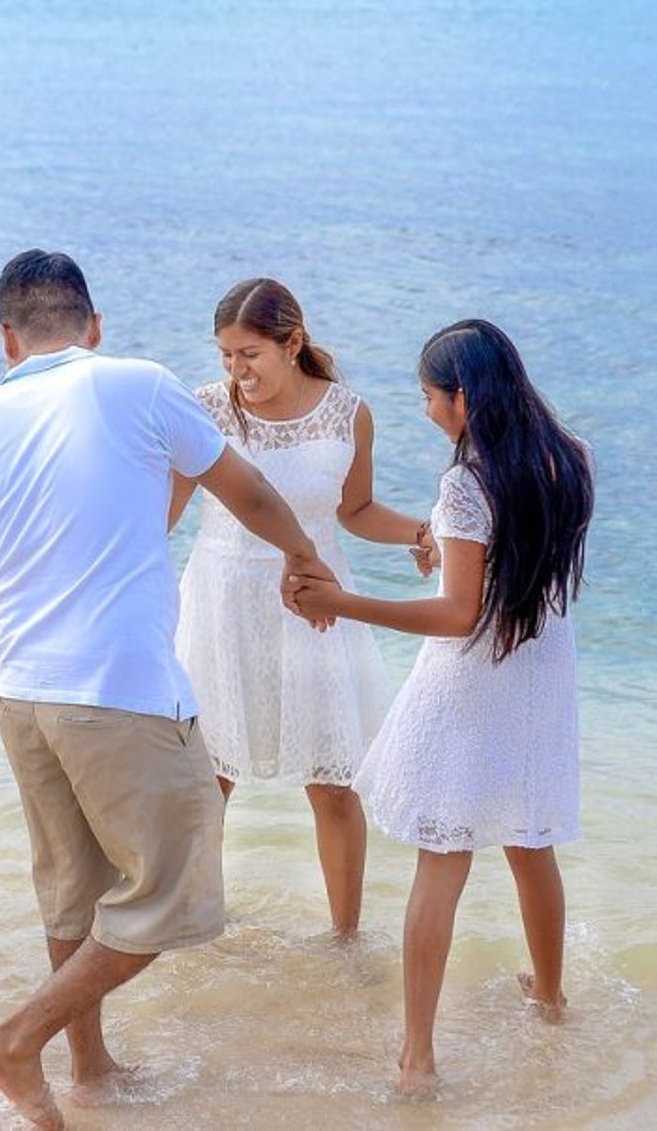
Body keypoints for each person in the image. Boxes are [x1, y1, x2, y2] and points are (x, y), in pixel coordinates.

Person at [0, 250, 334, 1130]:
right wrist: (305, 560)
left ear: (7, 338)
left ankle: (89, 1069)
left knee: (74, 893)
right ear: (95, 325)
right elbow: (248, 493)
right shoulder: (141, 384)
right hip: (118, 689)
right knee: (176, 886)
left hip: (22, 697)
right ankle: (18, 1041)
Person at [288, 319, 594, 1096]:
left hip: (474, 678)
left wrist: (347, 601)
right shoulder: (567, 459)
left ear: (462, 397)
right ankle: (553, 1002)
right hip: (542, 669)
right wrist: (449, 554)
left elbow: (460, 614)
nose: (426, 411)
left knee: (443, 854)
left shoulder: (466, 483)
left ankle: (417, 1056)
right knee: (530, 845)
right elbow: (511, 573)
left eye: (428, 397)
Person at [169, 277, 436, 936]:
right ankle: (202, 926)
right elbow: (162, 517)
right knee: (210, 778)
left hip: (317, 606)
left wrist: (423, 533)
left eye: (250, 354)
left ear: (293, 344)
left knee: (333, 777)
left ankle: (345, 936)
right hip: (221, 605)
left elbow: (356, 510)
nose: (236, 371)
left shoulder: (347, 413)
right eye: (225, 355)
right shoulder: (204, 411)